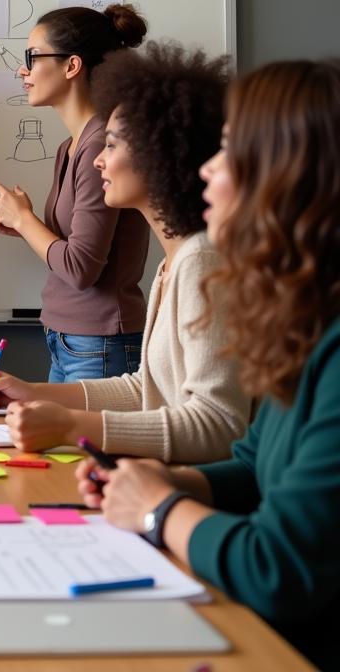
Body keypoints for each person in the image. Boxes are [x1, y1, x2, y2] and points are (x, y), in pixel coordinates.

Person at [76, 59, 340, 670]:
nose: (208, 172)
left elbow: (279, 568)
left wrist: (157, 508)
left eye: (227, 154)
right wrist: (173, 484)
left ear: (285, 181)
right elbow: (252, 463)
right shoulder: (303, 323)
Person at [0, 43, 251, 462]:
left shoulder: (201, 261)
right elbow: (145, 389)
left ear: (160, 154)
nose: (99, 161)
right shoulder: (174, 263)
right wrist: (30, 392)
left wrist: (70, 425)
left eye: (113, 146)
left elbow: (219, 424)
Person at [0, 5, 150, 382]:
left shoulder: (99, 147)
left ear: (72, 66)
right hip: (69, 339)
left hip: (99, 342)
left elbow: (80, 269)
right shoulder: (70, 147)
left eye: (32, 57)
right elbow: (76, 249)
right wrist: (24, 225)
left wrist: (26, 222)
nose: (22, 70)